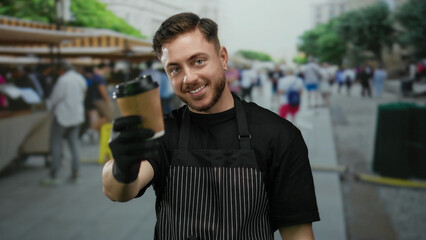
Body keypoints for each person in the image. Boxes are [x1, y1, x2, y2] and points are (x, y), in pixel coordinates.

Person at [102, 12, 319, 239]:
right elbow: (118, 191)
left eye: (198, 61)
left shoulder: (280, 135)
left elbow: (297, 233)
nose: (189, 78)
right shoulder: (164, 131)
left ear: (223, 57)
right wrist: (121, 167)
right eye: (175, 69)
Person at [41, 62, 87, 186]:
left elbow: (54, 99)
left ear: (61, 69)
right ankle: (76, 172)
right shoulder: (79, 78)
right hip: (77, 115)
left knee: (56, 143)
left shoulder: (63, 80)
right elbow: (83, 94)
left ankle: (54, 173)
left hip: (62, 116)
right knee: (74, 143)